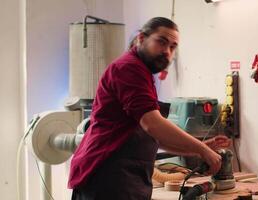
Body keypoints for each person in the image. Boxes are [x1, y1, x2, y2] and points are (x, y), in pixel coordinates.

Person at [69, 17, 231, 200]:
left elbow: (153, 137)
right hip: (107, 178)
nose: (167, 51)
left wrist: (200, 147)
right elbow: (152, 124)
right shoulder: (128, 68)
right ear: (141, 38)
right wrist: (203, 150)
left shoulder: (142, 73)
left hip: (124, 179)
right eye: (161, 42)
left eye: (172, 47)